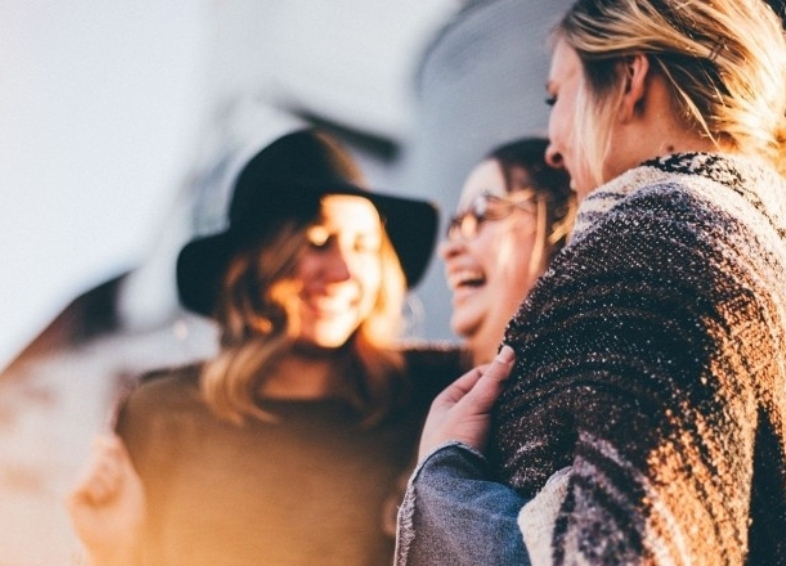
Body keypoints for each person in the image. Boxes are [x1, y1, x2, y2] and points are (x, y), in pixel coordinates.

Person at [396, 0, 786, 564]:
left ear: (630, 77)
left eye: (557, 95)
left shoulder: (654, 241)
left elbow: (614, 552)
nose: (553, 146)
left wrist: (443, 473)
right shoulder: (757, 253)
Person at [66, 128, 466, 565]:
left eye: (364, 246)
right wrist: (110, 549)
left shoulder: (430, 399)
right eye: (318, 243)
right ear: (256, 263)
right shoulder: (162, 414)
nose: (344, 272)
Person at [440, 137, 574, 365]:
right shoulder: (405, 389)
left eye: (481, 212)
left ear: (559, 227)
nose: (448, 249)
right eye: (456, 225)